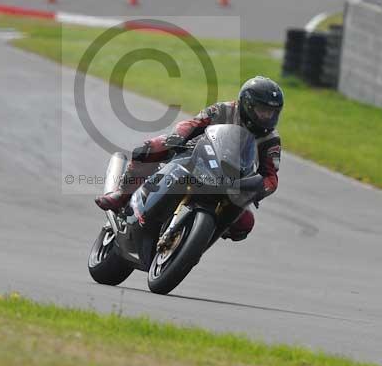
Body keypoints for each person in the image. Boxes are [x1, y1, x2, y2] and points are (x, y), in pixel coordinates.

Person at [95, 76, 283, 242]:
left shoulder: (271, 139)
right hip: (199, 155)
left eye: (271, 112)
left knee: (245, 223)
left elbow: (270, 176)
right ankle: (122, 194)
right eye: (262, 110)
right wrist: (178, 137)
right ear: (247, 103)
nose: (267, 116)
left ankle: (196, 239)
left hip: (234, 181)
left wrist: (260, 189)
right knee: (150, 148)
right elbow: (193, 123)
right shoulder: (224, 110)